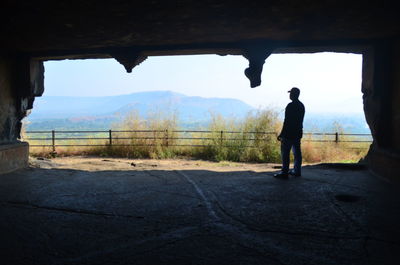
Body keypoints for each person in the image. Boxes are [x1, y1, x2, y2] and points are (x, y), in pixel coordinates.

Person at [274, 87, 305, 179]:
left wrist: (282, 134)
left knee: (285, 153)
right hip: (298, 133)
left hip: (288, 134)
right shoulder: (301, 106)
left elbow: (286, 121)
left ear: (294, 94)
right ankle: (297, 171)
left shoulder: (290, 106)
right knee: (297, 153)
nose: (290, 95)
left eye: (291, 93)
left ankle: (284, 172)